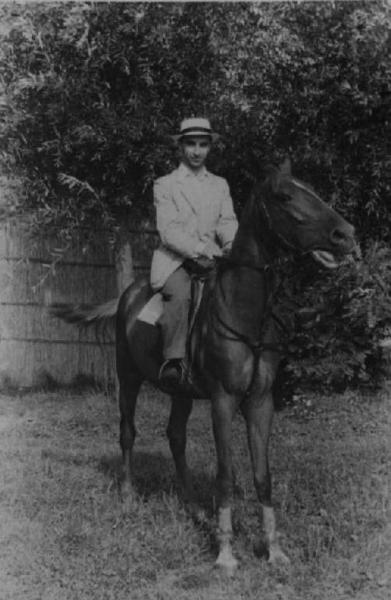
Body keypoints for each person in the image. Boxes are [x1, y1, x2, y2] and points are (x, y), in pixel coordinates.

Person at [151, 117, 238, 387]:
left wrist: (231, 244)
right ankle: (174, 360)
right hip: (176, 260)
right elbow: (169, 231)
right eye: (191, 144)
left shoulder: (219, 184)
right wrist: (200, 248)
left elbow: (226, 221)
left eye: (203, 144)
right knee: (180, 295)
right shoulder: (165, 184)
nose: (197, 151)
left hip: (214, 259)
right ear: (181, 147)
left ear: (210, 147)